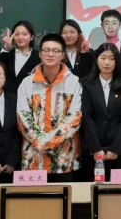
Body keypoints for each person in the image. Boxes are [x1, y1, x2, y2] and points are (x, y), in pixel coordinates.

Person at [16, 33, 82, 182]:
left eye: (55, 51)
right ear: (39, 54)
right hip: (33, 159)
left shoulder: (74, 82)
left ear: (63, 55)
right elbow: (23, 117)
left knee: (64, 196)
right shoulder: (27, 83)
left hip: (64, 160)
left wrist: (49, 142)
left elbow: (75, 118)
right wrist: (41, 142)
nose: (50, 54)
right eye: (46, 50)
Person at [81, 43, 121, 180]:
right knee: (92, 188)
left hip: (117, 149)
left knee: (116, 189)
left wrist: (116, 149)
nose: (107, 62)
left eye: (111, 58)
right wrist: (95, 148)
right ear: (96, 60)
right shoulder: (86, 84)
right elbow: (87, 117)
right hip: (92, 148)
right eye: (103, 58)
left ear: (117, 62)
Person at [0, 20, 41, 96]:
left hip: (30, 99)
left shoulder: (39, 56)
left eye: (24, 34)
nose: (20, 37)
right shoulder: (7, 54)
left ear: (31, 37)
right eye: (16, 34)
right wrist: (6, 48)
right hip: (7, 98)